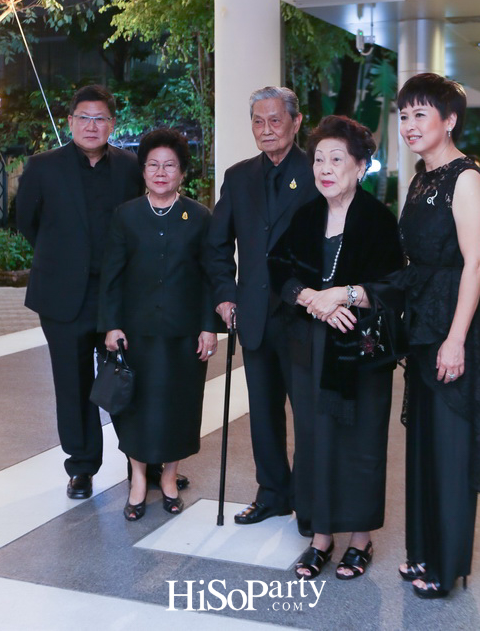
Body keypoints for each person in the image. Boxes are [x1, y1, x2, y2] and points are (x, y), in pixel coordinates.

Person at [326, 73, 480, 599]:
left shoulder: (465, 178)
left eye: (420, 114)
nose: (408, 124)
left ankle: (447, 567)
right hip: (423, 324)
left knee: (450, 448)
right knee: (426, 445)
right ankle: (423, 552)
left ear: (450, 120)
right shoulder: (421, 178)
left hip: (454, 325)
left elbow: (475, 264)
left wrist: (455, 339)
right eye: (403, 115)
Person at [269, 116, 403, 581]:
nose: (325, 168)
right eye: (319, 160)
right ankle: (320, 536)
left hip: (362, 351)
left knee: (362, 442)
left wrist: (346, 295)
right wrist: (311, 299)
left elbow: (396, 283)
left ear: (361, 165)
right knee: (313, 441)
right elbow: (278, 270)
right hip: (308, 346)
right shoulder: (305, 216)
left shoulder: (380, 220)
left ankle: (360, 539)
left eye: (337, 159)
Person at [16, 84, 145, 499]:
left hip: (118, 295)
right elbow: (27, 224)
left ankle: (142, 463)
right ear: (70, 121)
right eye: (84, 118)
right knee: (71, 384)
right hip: (62, 296)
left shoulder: (130, 167)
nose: (92, 125)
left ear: (113, 124)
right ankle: (82, 467)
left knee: (128, 376)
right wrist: (65, 260)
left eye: (101, 118)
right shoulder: (42, 166)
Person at [206, 86, 317, 524]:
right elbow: (217, 246)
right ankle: (273, 493)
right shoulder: (238, 176)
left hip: (304, 315)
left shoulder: (319, 171)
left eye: (275, 120)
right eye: (258, 120)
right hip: (253, 314)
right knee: (264, 414)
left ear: (296, 121)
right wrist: (224, 294)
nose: (266, 129)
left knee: (308, 415)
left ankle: (310, 501)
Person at [99, 129, 217, 520]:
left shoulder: (199, 216)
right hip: (135, 333)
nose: (161, 172)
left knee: (178, 409)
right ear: (143, 170)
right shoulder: (126, 215)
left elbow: (208, 277)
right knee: (136, 410)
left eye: (170, 165)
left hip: (184, 335)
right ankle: (136, 482)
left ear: (182, 172)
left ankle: (168, 478)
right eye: (153, 165)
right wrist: (112, 325)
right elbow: (112, 277)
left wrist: (208, 325)